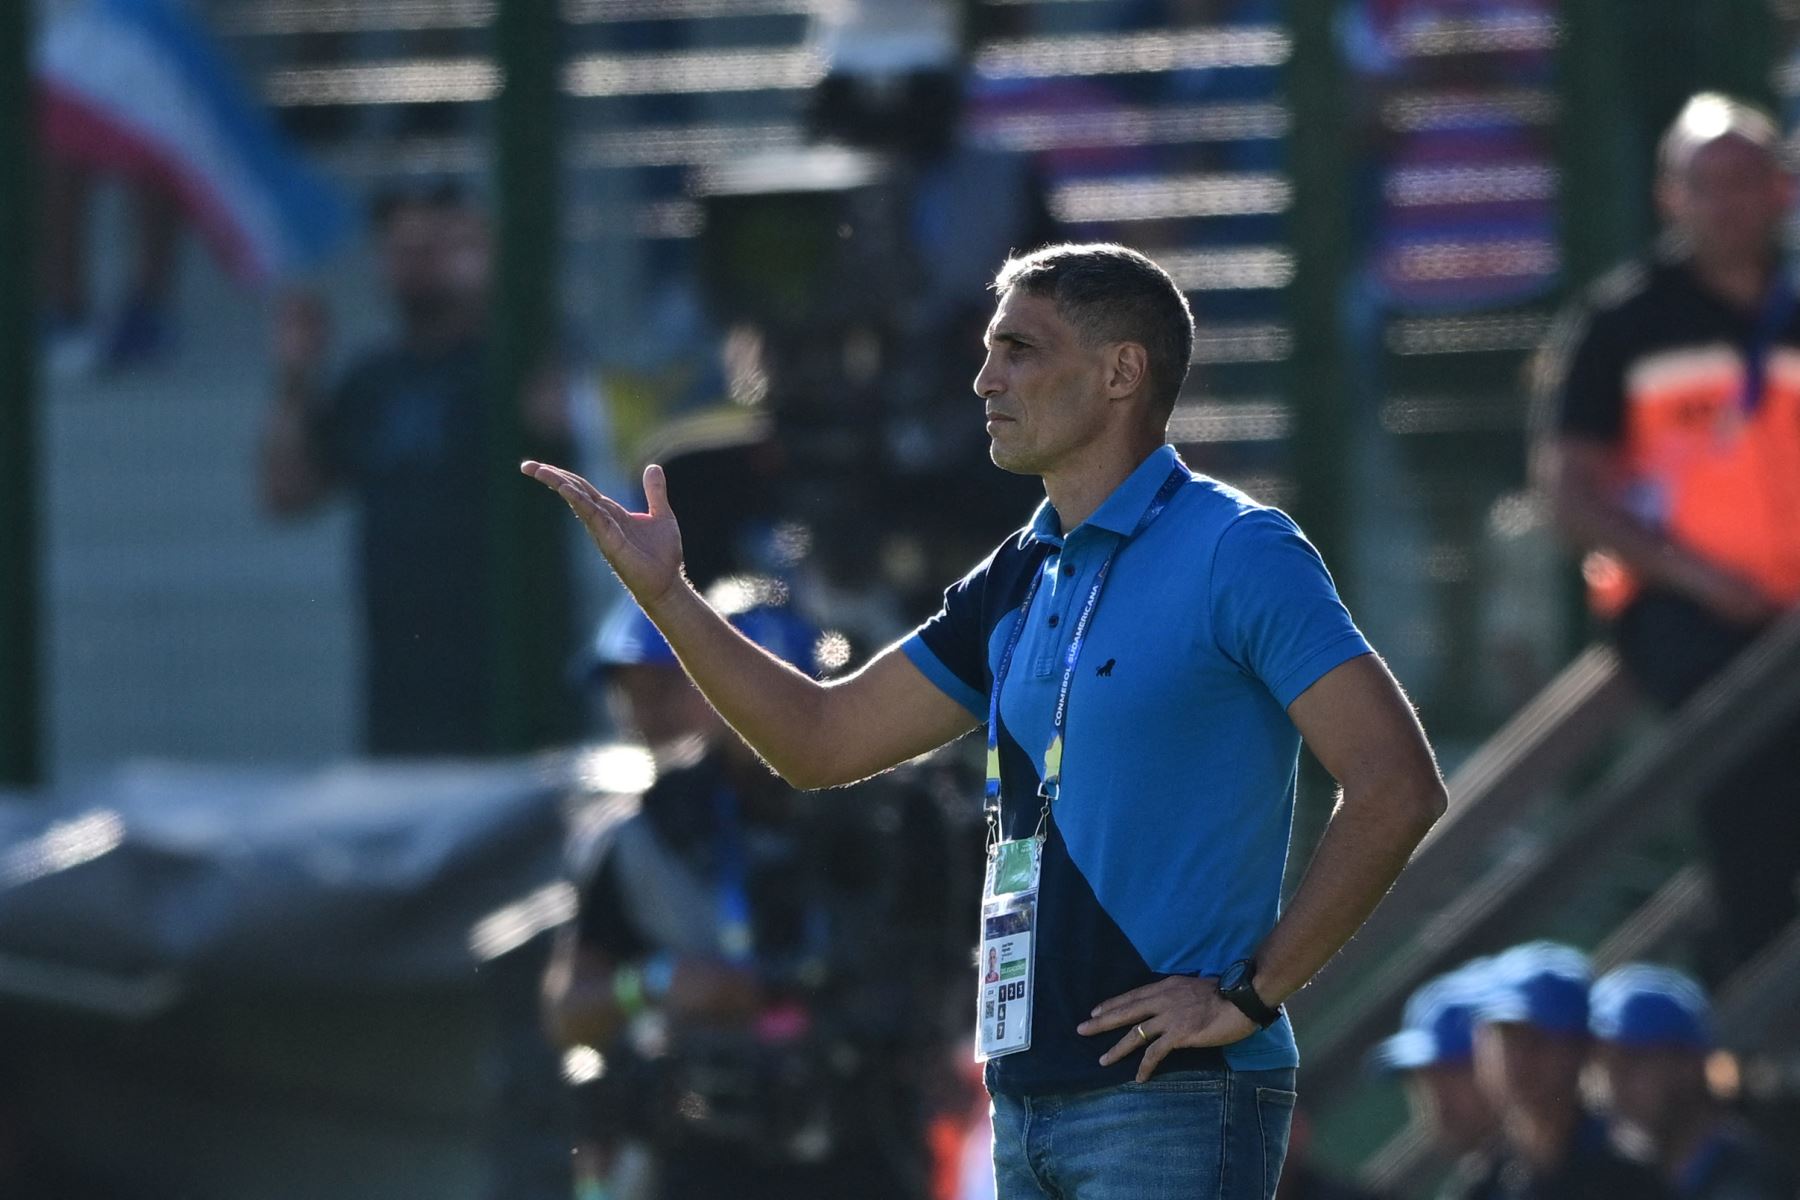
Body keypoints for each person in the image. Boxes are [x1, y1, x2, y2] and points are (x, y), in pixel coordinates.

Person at [524, 241, 1447, 1199]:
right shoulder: (1017, 572)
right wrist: (670, 598)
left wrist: (1251, 996)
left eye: (1020, 350)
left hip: (1169, 1094)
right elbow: (822, 741)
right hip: (1025, 1099)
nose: (984, 378)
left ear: (1122, 372)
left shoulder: (1239, 549)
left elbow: (1398, 785)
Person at [542, 599, 960, 1200]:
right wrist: (654, 983)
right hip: (704, 1148)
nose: (643, 716)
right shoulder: (646, 831)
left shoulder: (901, 820)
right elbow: (566, 1014)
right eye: (628, 694)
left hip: (872, 1143)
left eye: (662, 688)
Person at [1535, 92, 1800, 976]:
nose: (1726, 201)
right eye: (1705, 182)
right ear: (1668, 198)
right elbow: (1570, 494)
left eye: (1745, 180)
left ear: (1782, 190)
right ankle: (1756, 1040)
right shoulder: (1622, 324)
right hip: (1690, 616)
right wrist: (1698, 578)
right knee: (1747, 818)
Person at [261, 182, 579, 757]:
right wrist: (295, 377)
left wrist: (510, 303)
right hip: (401, 689)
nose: (418, 262)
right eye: (401, 247)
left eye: (438, 245)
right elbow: (286, 493)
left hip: (514, 682)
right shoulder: (371, 381)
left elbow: (568, 440)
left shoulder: (521, 363)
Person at [1469, 941, 1673, 1199]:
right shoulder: (1488, 1183)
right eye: (1506, 1038)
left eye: (1539, 1040)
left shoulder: (1624, 1177)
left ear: (1584, 1048)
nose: (1519, 1059)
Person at [1590, 963, 1797, 1200]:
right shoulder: (1650, 1183)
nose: (1614, 1080)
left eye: (1632, 1060)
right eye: (1605, 1065)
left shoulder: (1747, 1185)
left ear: (1689, 1066)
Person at [1368, 958, 1503, 1199]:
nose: (1437, 1096)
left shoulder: (1564, 1174)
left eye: (1453, 1071)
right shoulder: (1477, 1186)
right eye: (1424, 1077)